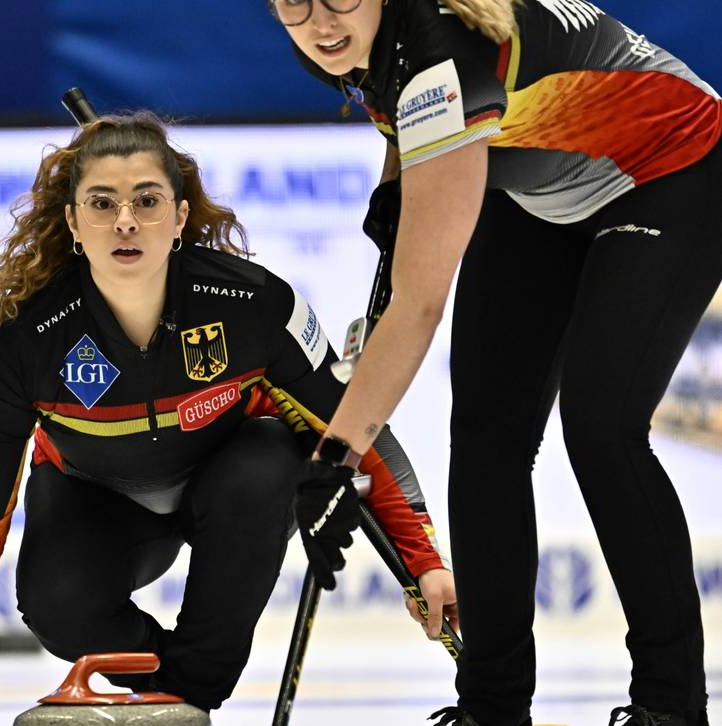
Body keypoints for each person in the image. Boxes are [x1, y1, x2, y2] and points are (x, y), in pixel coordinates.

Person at [0, 112, 456, 725]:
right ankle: (177, 698)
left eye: (147, 200)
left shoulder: (256, 306)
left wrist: (426, 565)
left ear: (179, 217)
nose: (125, 220)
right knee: (55, 603)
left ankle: (190, 693)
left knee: (268, 455)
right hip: (97, 503)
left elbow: (358, 426)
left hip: (232, 494)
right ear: (72, 223)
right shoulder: (20, 345)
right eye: (101, 202)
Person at [268, 0, 721, 724]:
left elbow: (419, 305)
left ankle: (671, 706)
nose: (321, 22)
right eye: (295, 1)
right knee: (485, 438)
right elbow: (399, 105)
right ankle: (492, 705)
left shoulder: (439, 47)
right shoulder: (344, 40)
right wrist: (397, 182)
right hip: (540, 182)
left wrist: (337, 457)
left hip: (670, 167)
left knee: (602, 426)